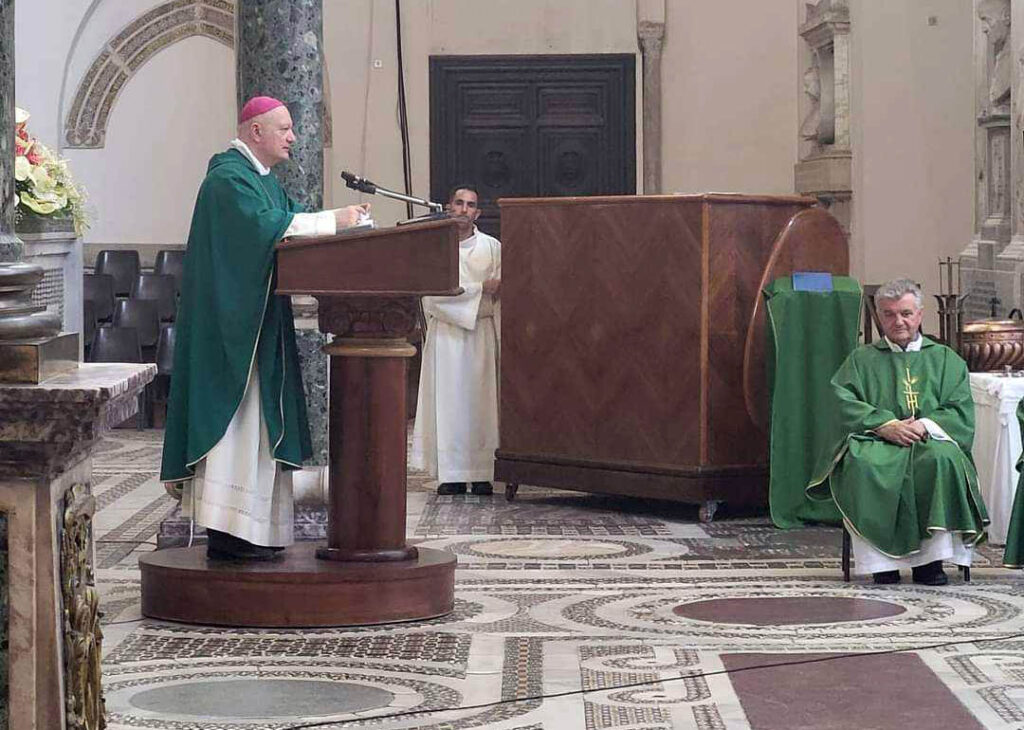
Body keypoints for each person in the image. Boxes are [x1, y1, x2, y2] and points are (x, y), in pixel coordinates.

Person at [160, 96, 368, 560]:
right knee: (238, 427)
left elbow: (289, 219)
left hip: (257, 325)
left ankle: (253, 531)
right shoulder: (227, 180)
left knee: (257, 430)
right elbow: (264, 229)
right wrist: (331, 220)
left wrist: (340, 226)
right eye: (285, 128)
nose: (293, 137)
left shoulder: (262, 181)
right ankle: (228, 531)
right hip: (231, 331)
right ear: (256, 132)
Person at [808, 278, 989, 585]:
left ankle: (931, 563)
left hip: (929, 438)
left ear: (920, 315)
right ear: (879, 316)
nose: (898, 321)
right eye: (889, 314)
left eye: (906, 313)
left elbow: (959, 408)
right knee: (864, 464)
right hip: (876, 438)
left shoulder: (946, 360)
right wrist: (885, 425)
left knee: (941, 459)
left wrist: (924, 425)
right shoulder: (861, 360)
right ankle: (881, 564)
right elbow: (842, 402)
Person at [411, 184, 501, 496]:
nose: (464, 209)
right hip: (446, 338)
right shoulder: (436, 247)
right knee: (448, 404)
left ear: (478, 213)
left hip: (481, 336)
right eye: (459, 203)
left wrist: (475, 293)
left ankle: (482, 473)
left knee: (481, 403)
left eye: (470, 205)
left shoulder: (493, 248)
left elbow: (500, 293)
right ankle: (450, 475)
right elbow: (432, 296)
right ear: (449, 207)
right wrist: (479, 289)